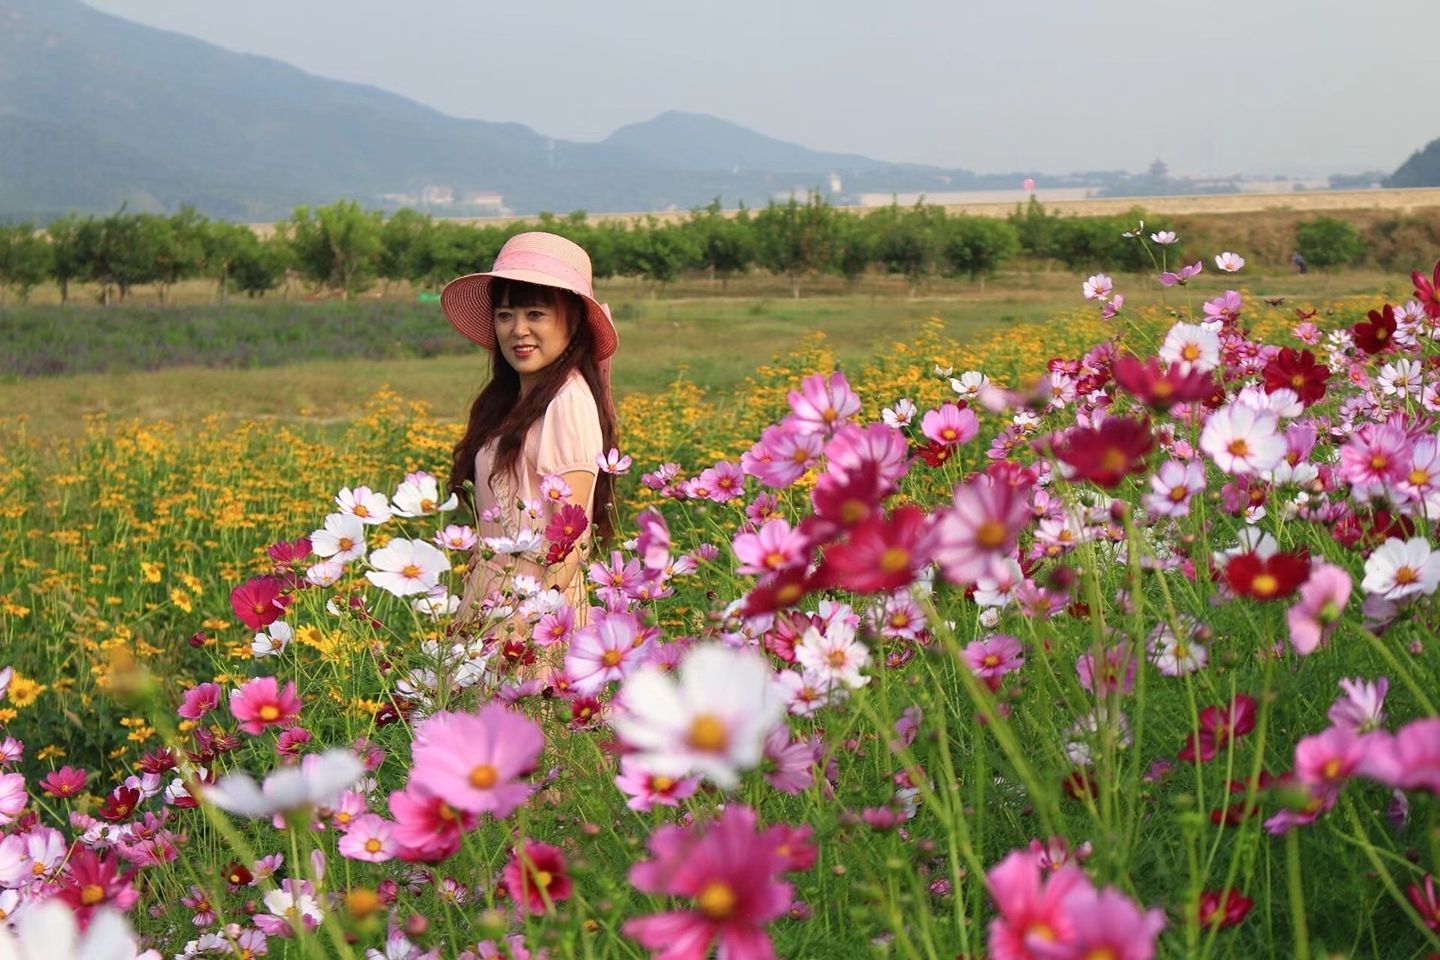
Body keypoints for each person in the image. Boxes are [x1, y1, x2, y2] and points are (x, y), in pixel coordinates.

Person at [441, 232, 619, 640]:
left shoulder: (567, 402)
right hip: (495, 604)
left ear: (572, 321)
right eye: (505, 315)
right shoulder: (514, 398)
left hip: (534, 616)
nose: (518, 330)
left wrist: (524, 630)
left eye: (535, 314)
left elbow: (570, 542)